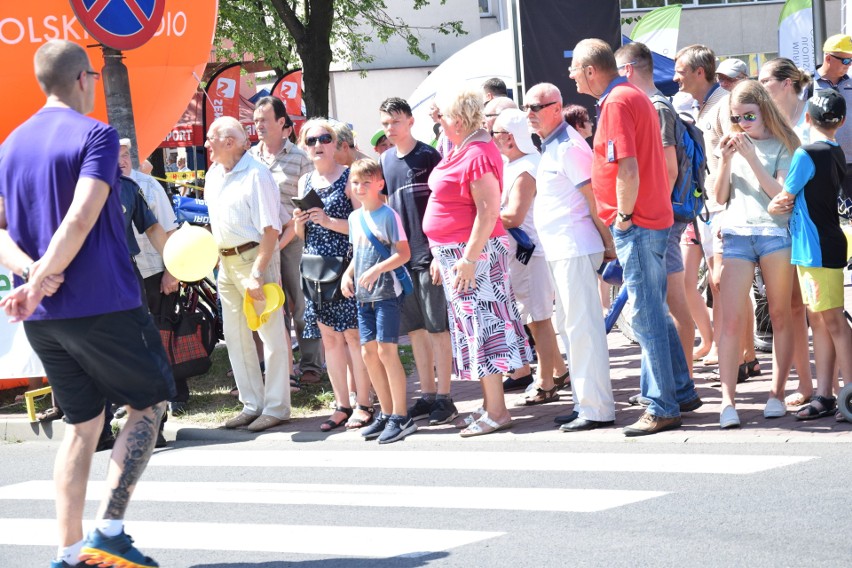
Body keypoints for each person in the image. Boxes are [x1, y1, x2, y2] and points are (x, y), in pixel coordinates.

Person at [0, 39, 173, 568]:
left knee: (81, 425)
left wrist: (32, 275)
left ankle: (69, 552)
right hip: (104, 303)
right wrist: (42, 276)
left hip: (46, 318)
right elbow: (80, 215)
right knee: (150, 403)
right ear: (82, 80)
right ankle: (109, 532)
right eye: (94, 78)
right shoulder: (96, 135)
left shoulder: (10, 145)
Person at [571, 38, 701, 436]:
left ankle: (662, 405)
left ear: (592, 70)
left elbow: (626, 166)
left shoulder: (615, 103)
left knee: (645, 314)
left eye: (575, 68)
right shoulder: (632, 95)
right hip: (650, 217)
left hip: (639, 221)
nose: (571, 75)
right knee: (653, 310)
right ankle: (679, 390)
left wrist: (624, 217)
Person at [423, 86, 531, 437]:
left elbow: (487, 212)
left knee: (485, 330)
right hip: (459, 254)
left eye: (444, 117)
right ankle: (490, 405)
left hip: (475, 256)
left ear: (459, 120)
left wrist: (467, 258)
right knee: (476, 329)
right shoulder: (465, 146)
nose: (440, 123)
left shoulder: (479, 153)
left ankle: (498, 411)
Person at [713, 80, 801, 428]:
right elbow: (720, 198)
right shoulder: (735, 147)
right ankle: (727, 400)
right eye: (736, 118)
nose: (742, 124)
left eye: (748, 116)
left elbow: (780, 199)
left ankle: (777, 394)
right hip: (736, 235)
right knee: (731, 320)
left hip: (774, 235)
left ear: (764, 109)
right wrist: (725, 160)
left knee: (780, 315)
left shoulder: (784, 146)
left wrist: (750, 158)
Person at [615, 42, 698, 383]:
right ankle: (675, 381)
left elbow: (669, 169)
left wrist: (653, 215)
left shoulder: (657, 108)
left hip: (663, 218)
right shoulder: (650, 106)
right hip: (661, 216)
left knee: (673, 301)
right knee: (662, 302)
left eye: (618, 73)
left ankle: (683, 381)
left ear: (629, 70)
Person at [768, 89, 852, 422]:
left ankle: (846, 393)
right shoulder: (834, 151)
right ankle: (825, 395)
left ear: (806, 119)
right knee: (820, 320)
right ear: (841, 122)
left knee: (832, 321)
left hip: (816, 249)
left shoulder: (806, 154)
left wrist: (777, 201)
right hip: (817, 246)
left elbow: (783, 199)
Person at [205, 116, 292, 433]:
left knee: (270, 334)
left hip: (255, 259)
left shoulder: (257, 174)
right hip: (225, 264)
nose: (206, 144)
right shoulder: (214, 173)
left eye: (211, 138)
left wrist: (257, 273)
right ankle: (252, 404)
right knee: (236, 336)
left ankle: (277, 407)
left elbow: (271, 230)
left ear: (229, 141)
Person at [378, 97, 457, 425]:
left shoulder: (428, 156)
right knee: (417, 331)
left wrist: (440, 253)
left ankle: (445, 397)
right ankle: (426, 394)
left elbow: (445, 206)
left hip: (429, 255)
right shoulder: (384, 161)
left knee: (438, 328)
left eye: (395, 122)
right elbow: (385, 210)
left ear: (410, 121)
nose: (390, 129)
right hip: (402, 257)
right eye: (385, 124)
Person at [294, 119, 373, 431]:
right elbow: (302, 234)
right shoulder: (304, 182)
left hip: (345, 266)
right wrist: (301, 220)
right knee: (330, 340)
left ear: (336, 143)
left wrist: (328, 221)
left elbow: (361, 225)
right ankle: (341, 403)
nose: (317, 145)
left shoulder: (348, 177)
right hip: (315, 267)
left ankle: (363, 403)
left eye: (324, 139)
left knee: (354, 337)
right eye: (311, 140)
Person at [341, 158, 417, 443]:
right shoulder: (354, 218)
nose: (359, 188)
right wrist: (347, 275)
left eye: (366, 182)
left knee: (387, 352)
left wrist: (376, 270)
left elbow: (403, 254)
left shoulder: (389, 216)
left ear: (379, 184)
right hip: (364, 296)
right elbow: (356, 255)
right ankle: (386, 413)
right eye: (355, 182)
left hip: (387, 292)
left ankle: (401, 416)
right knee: (368, 353)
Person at [250, 96, 324, 385]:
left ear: (282, 123)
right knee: (269, 307)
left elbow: (306, 208)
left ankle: (311, 365)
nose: (258, 126)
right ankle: (277, 367)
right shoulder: (250, 158)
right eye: (256, 121)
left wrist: (279, 243)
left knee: (301, 306)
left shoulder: (301, 158)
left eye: (264, 120)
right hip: (260, 242)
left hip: (294, 241)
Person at [758, 58, 817, 406]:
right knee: (795, 307)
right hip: (782, 227)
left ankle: (833, 384)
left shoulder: (811, 117)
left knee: (822, 310)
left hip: (812, 225)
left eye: (765, 80)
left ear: (786, 83)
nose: (759, 85)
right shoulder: (771, 124)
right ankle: (806, 384)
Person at [673, 44, 728, 367]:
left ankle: (732, 349)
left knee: (720, 282)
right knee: (707, 281)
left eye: (681, 71)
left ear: (699, 72)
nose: (676, 77)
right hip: (701, 208)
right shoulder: (702, 106)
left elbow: (733, 156)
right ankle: (716, 343)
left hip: (719, 208)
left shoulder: (723, 105)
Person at [814, 34, 852, 198]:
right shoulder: (808, 85)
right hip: (821, 163)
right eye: (845, 60)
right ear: (828, 58)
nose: (849, 65)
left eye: (851, 60)